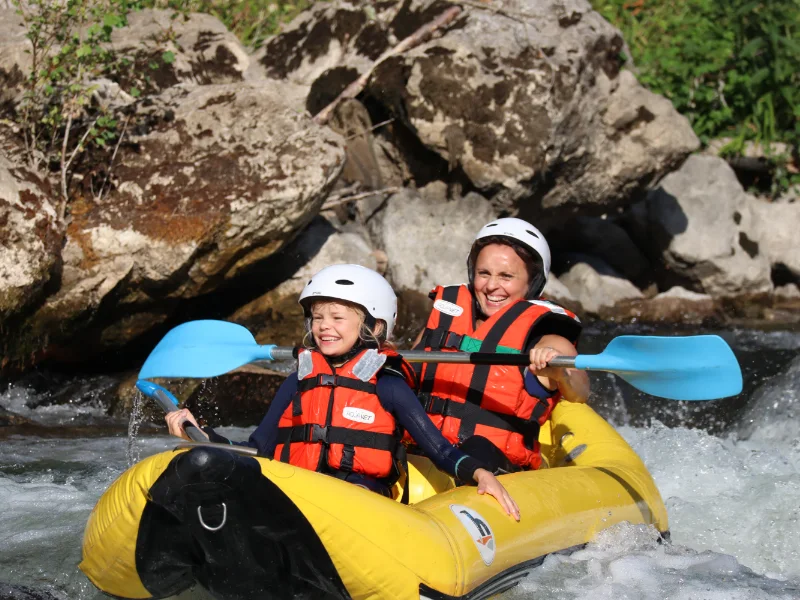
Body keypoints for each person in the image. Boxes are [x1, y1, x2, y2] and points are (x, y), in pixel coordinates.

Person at [166, 264, 520, 520]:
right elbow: (258, 449)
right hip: (304, 493)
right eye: (318, 317)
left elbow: (440, 449)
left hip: (362, 502)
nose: (323, 327)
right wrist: (201, 435)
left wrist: (478, 473)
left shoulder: (388, 384)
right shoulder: (299, 380)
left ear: (373, 326)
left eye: (337, 317)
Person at [411, 217, 590, 473]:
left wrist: (558, 370)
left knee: (477, 448)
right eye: (484, 273)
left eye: (506, 276)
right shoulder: (445, 321)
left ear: (533, 282)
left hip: (492, 466)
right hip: (423, 453)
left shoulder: (548, 336)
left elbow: (580, 391)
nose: (492, 286)